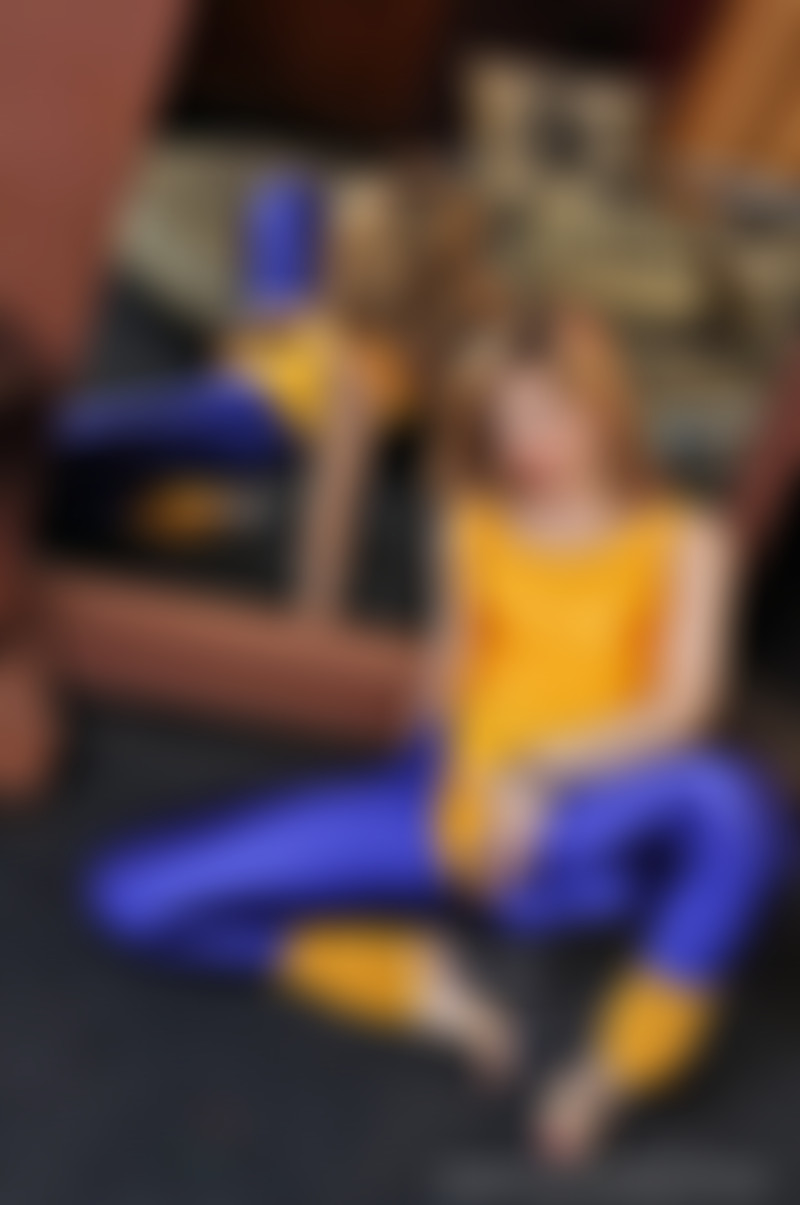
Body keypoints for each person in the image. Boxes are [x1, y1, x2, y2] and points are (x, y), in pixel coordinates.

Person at [82, 305, 784, 1161]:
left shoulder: (687, 540)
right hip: (462, 817)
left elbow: (685, 705)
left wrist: (533, 772)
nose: (525, 444)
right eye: (501, 422)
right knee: (132, 896)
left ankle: (611, 1073)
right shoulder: (473, 521)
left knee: (733, 804)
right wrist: (429, 814)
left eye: (549, 413)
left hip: (598, 815)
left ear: (605, 404)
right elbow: (449, 682)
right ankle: (434, 989)